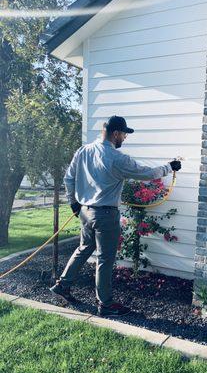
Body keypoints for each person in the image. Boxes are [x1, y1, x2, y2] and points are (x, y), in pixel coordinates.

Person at [50, 115, 182, 317]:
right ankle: (106, 304)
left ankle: (63, 285)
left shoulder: (83, 151)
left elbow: (69, 179)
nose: (125, 139)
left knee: (84, 248)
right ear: (116, 133)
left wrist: (74, 205)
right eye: (124, 135)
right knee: (105, 259)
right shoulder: (117, 158)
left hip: (85, 211)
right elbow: (146, 173)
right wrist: (169, 167)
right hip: (105, 215)